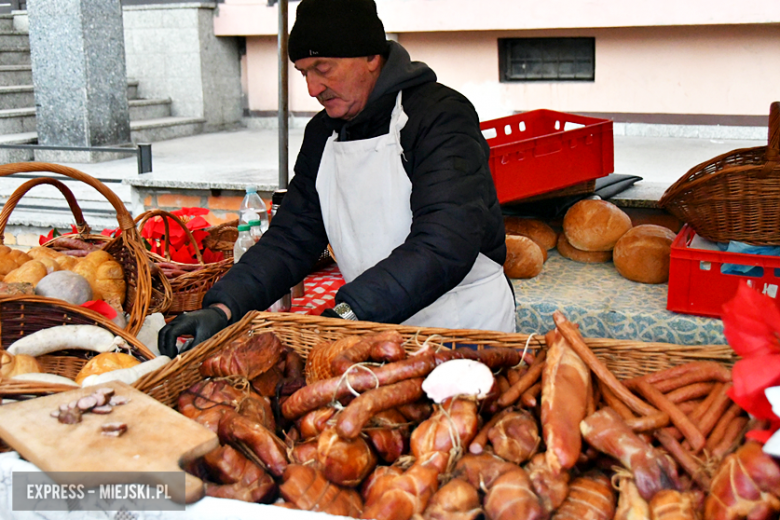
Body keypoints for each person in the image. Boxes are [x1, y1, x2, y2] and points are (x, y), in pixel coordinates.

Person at [157, 0, 515, 357]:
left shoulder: (440, 117)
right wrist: (224, 307)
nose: (313, 88)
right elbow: (292, 236)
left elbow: (444, 243)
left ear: (371, 57)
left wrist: (348, 313)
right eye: (303, 73)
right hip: (375, 328)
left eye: (322, 68)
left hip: (461, 331)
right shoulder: (322, 134)